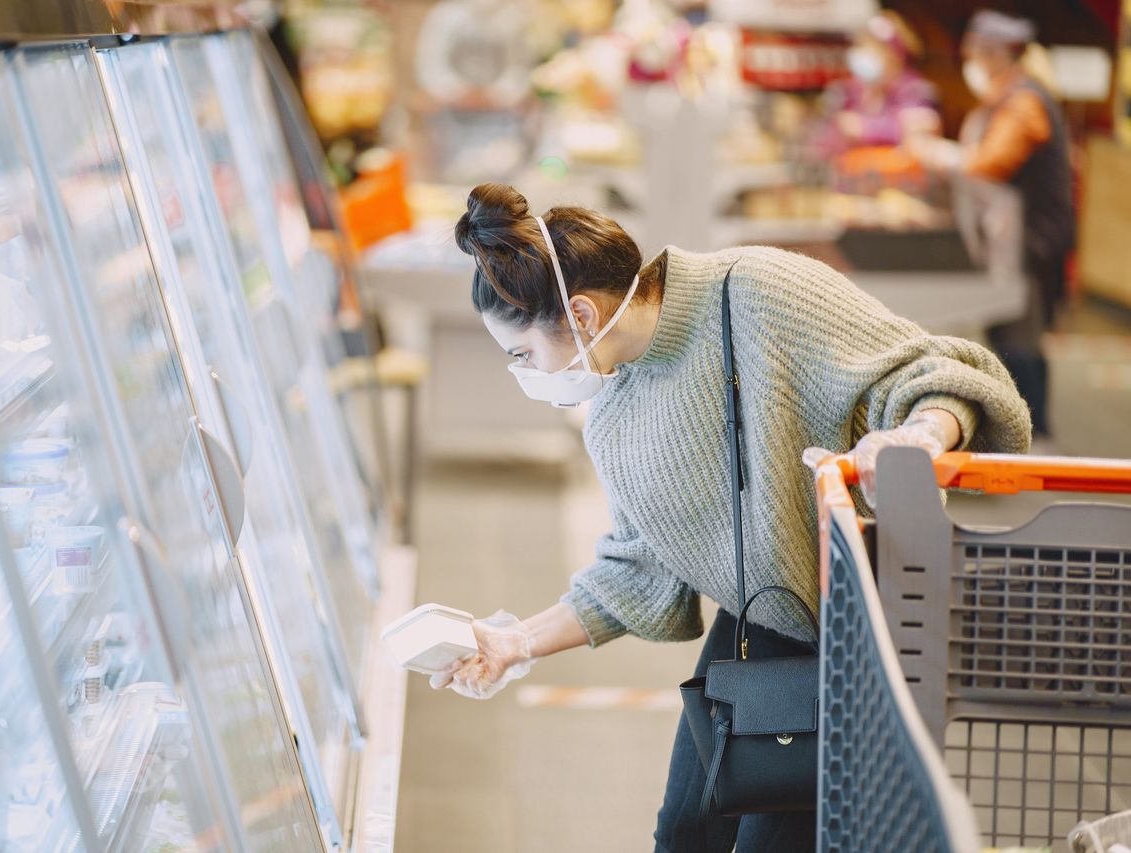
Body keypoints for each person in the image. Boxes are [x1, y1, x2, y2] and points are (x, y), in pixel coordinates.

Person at [434, 182, 1031, 851]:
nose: (525, 374)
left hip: (871, 624)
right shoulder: (612, 415)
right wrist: (513, 643)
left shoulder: (759, 290)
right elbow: (637, 571)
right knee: (685, 833)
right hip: (764, 623)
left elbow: (937, 368)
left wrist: (919, 435)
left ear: (580, 312)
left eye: (521, 354)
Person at [911, 10, 1075, 443]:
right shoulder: (1006, 97)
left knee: (1020, 338)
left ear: (996, 56)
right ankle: (1024, 431)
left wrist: (939, 154)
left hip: (1031, 241)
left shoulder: (1025, 102)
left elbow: (992, 162)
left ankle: (1038, 437)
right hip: (1011, 239)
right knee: (1010, 334)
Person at [821, 11, 940, 153]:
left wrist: (865, 128)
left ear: (894, 54)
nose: (863, 54)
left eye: (873, 48)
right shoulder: (850, 91)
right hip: (857, 171)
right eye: (860, 46)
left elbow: (918, 129)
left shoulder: (916, 90)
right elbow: (829, 139)